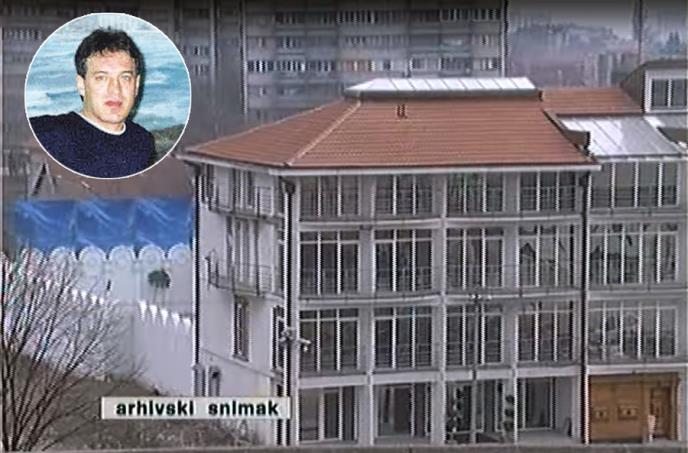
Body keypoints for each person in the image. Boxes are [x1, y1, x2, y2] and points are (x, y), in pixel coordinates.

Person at [29, 28, 155, 178]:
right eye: (101, 78)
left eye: (125, 78)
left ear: (136, 85)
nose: (115, 90)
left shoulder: (142, 141)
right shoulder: (47, 135)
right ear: (81, 85)